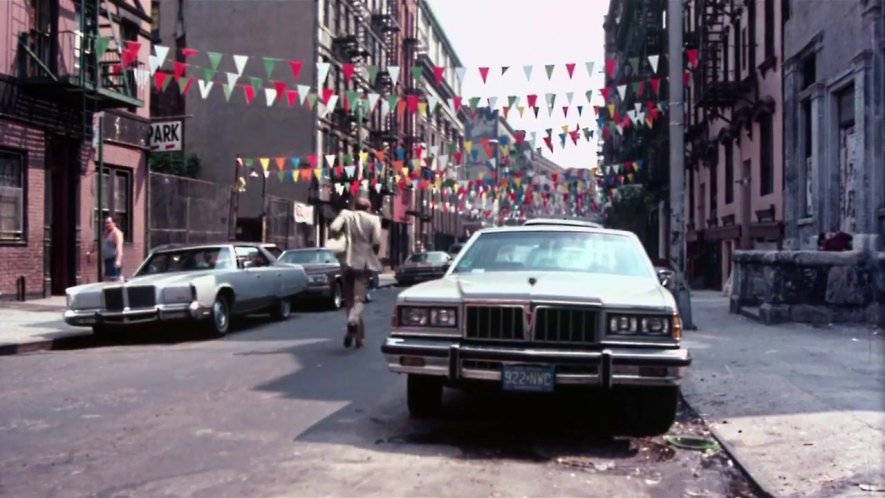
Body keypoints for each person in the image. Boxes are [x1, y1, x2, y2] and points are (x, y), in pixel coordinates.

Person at [329, 196, 382, 349]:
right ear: (368, 208)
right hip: (363, 263)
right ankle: (353, 322)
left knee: (349, 300)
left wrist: (339, 238)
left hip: (347, 262)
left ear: (355, 206)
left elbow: (333, 228)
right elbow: (376, 242)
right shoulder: (373, 220)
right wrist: (373, 254)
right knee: (359, 299)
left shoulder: (346, 214)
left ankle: (358, 337)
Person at [87, 217, 124, 282]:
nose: (106, 225)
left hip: (113, 260)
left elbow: (119, 247)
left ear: (114, 223)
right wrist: (90, 251)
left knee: (115, 280)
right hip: (107, 260)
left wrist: (118, 260)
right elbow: (100, 244)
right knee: (108, 279)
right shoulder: (106, 233)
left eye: (108, 223)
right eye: (105, 223)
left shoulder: (116, 233)